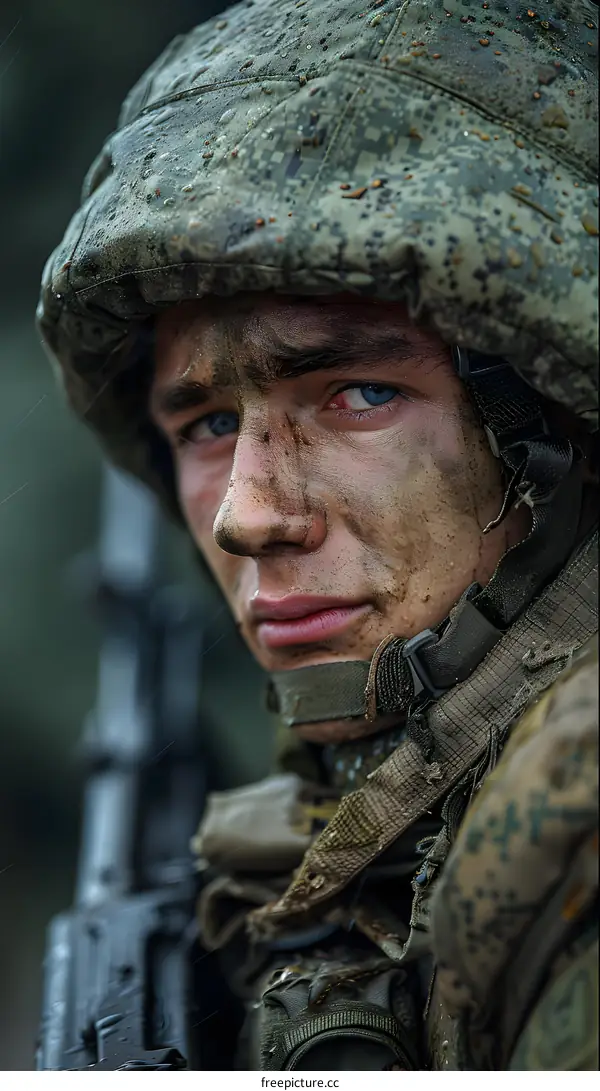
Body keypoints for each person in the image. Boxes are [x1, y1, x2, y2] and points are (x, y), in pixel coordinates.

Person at [37, 0, 598, 1070]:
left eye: (360, 394)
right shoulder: (385, 802)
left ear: (553, 429)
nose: (248, 514)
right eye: (208, 425)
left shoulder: (571, 816)